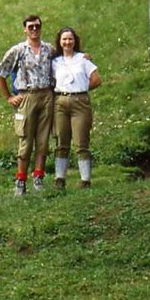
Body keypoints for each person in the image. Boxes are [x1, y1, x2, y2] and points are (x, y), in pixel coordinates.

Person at [0, 15, 55, 195]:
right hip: (27, 96)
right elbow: (0, 73)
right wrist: (9, 97)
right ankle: (21, 180)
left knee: (43, 139)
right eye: (31, 27)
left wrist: (84, 56)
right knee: (26, 139)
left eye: (37, 26)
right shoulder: (18, 50)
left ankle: (38, 176)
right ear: (25, 29)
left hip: (46, 94)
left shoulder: (49, 49)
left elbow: (67, 56)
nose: (34, 30)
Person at [51, 27, 102, 189]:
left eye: (70, 39)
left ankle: (85, 180)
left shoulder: (83, 59)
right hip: (60, 102)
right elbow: (51, 82)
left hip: (80, 102)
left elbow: (96, 80)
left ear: (75, 41)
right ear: (60, 42)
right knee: (61, 141)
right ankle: (60, 179)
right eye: (64, 39)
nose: (67, 42)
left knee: (81, 142)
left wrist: (81, 88)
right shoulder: (55, 62)